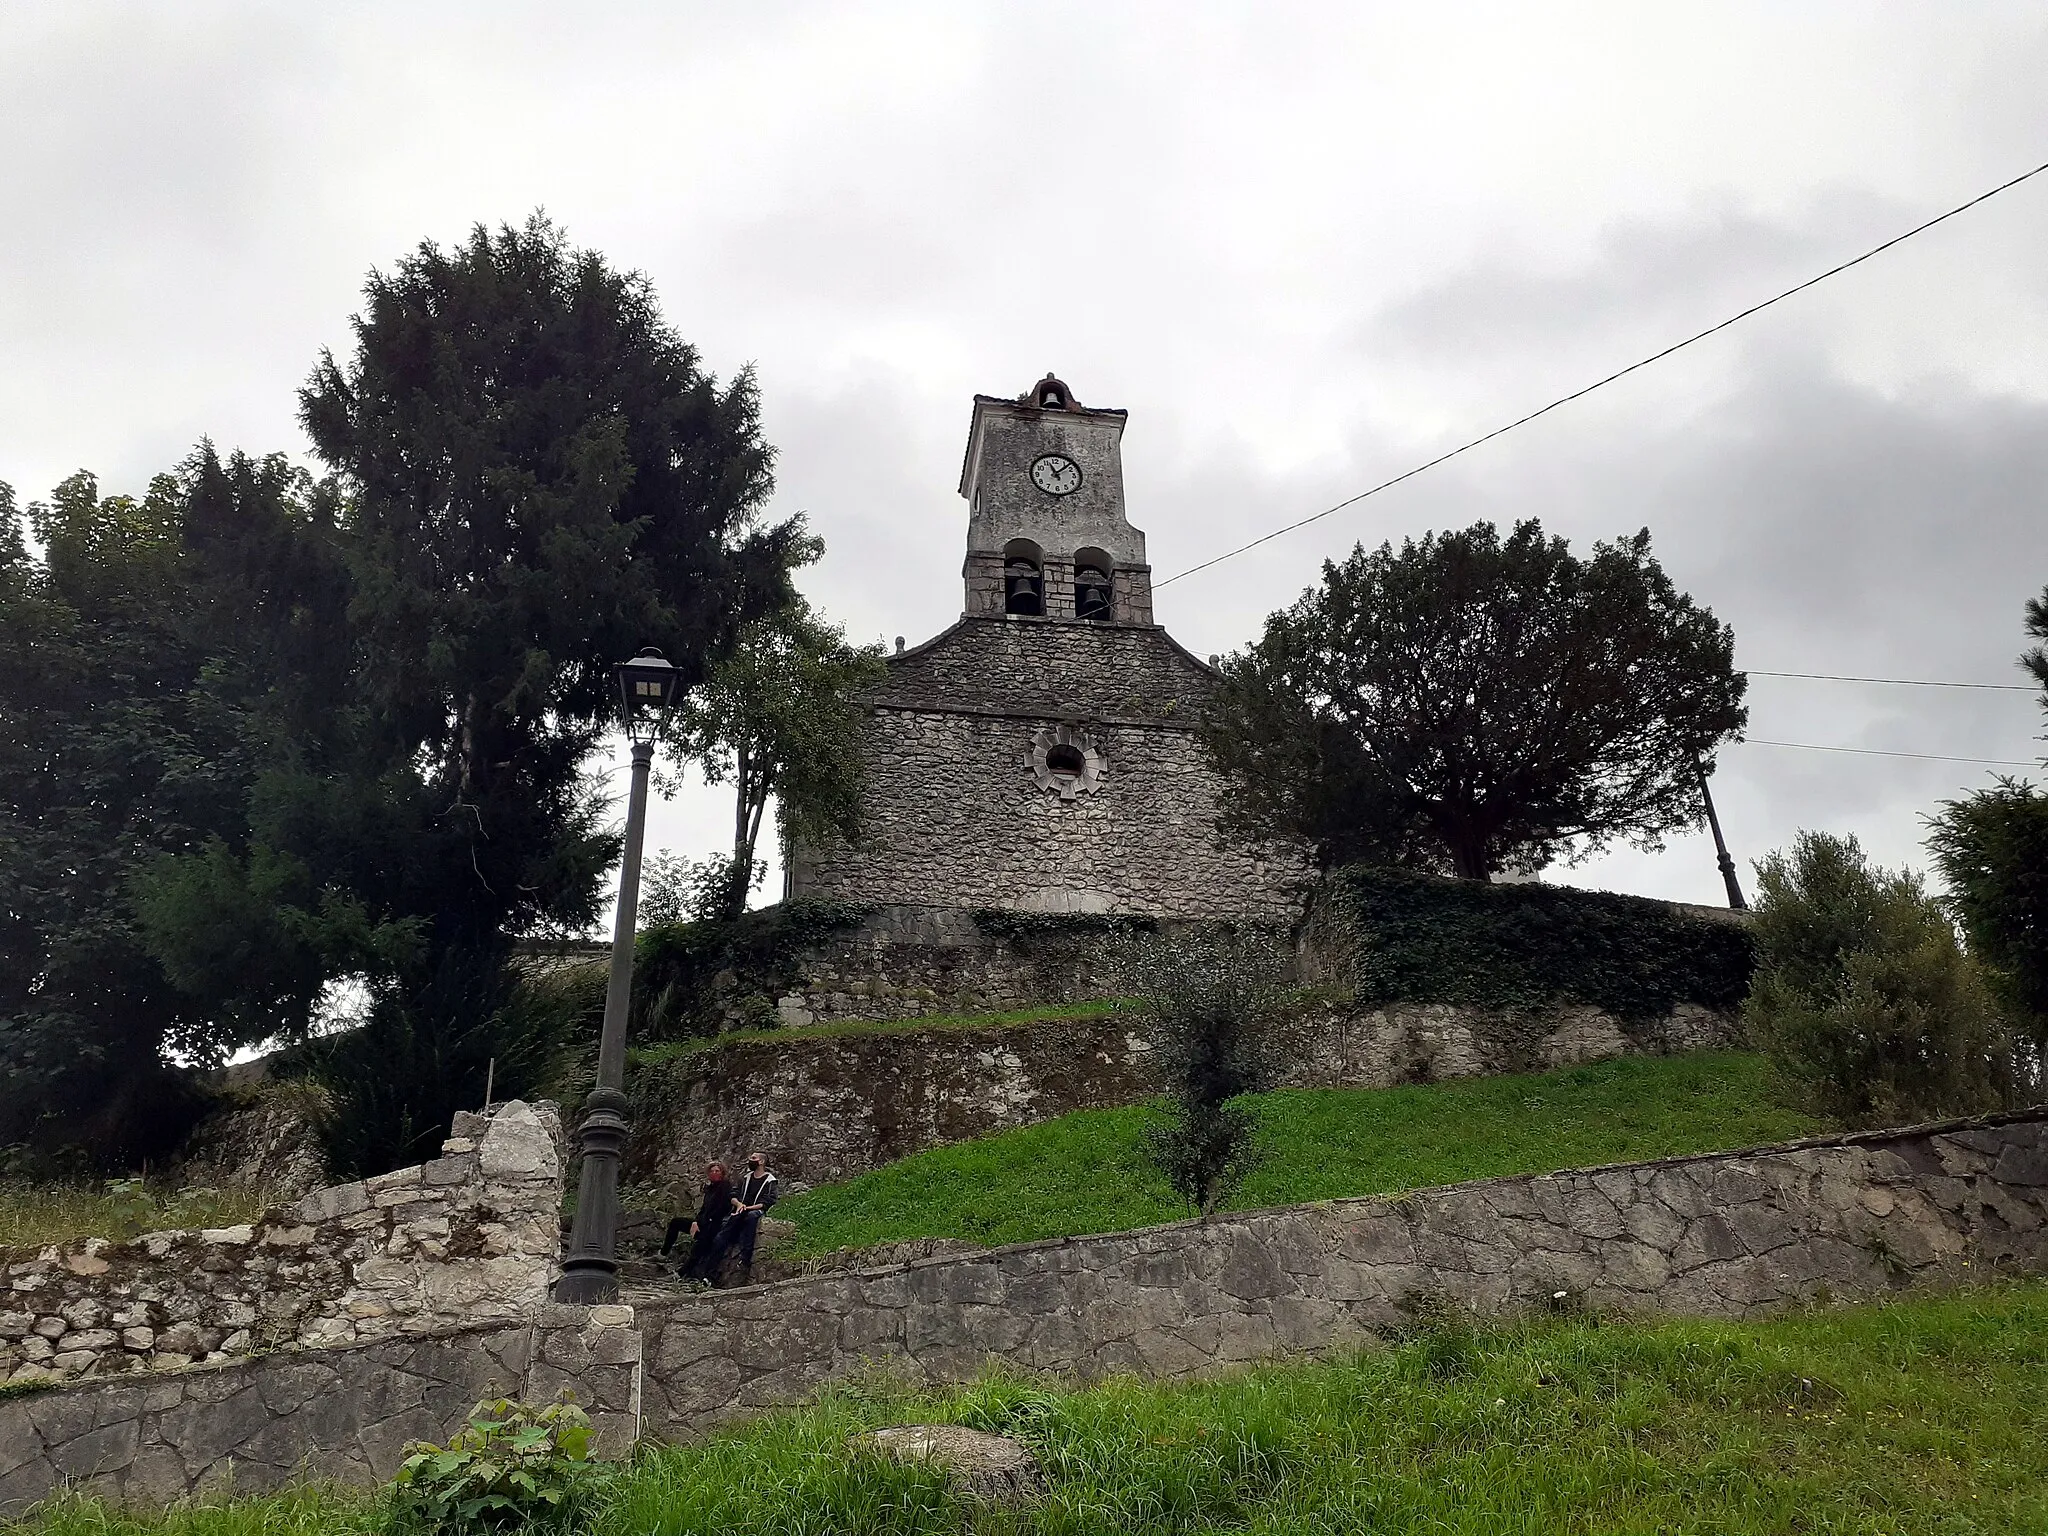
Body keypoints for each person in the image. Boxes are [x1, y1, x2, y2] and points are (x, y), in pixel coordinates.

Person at [660, 1162, 732, 1282]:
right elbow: (704, 1209)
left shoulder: (725, 1186)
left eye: (717, 1171)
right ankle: (663, 1253)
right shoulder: (710, 1189)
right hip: (703, 1223)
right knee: (676, 1222)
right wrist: (696, 1222)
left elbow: (721, 1209)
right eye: (712, 1171)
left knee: (698, 1248)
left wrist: (702, 1223)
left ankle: (680, 1274)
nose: (714, 1173)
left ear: (722, 1173)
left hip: (714, 1226)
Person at [720, 1151, 779, 1280]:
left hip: (755, 1211)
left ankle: (746, 1258)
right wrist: (739, 1205)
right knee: (729, 1222)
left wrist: (747, 1207)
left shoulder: (770, 1180)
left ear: (762, 1162)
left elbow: (768, 1201)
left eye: (753, 1158)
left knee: (751, 1217)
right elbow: (733, 1195)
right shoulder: (745, 1178)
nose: (750, 1160)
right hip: (742, 1208)